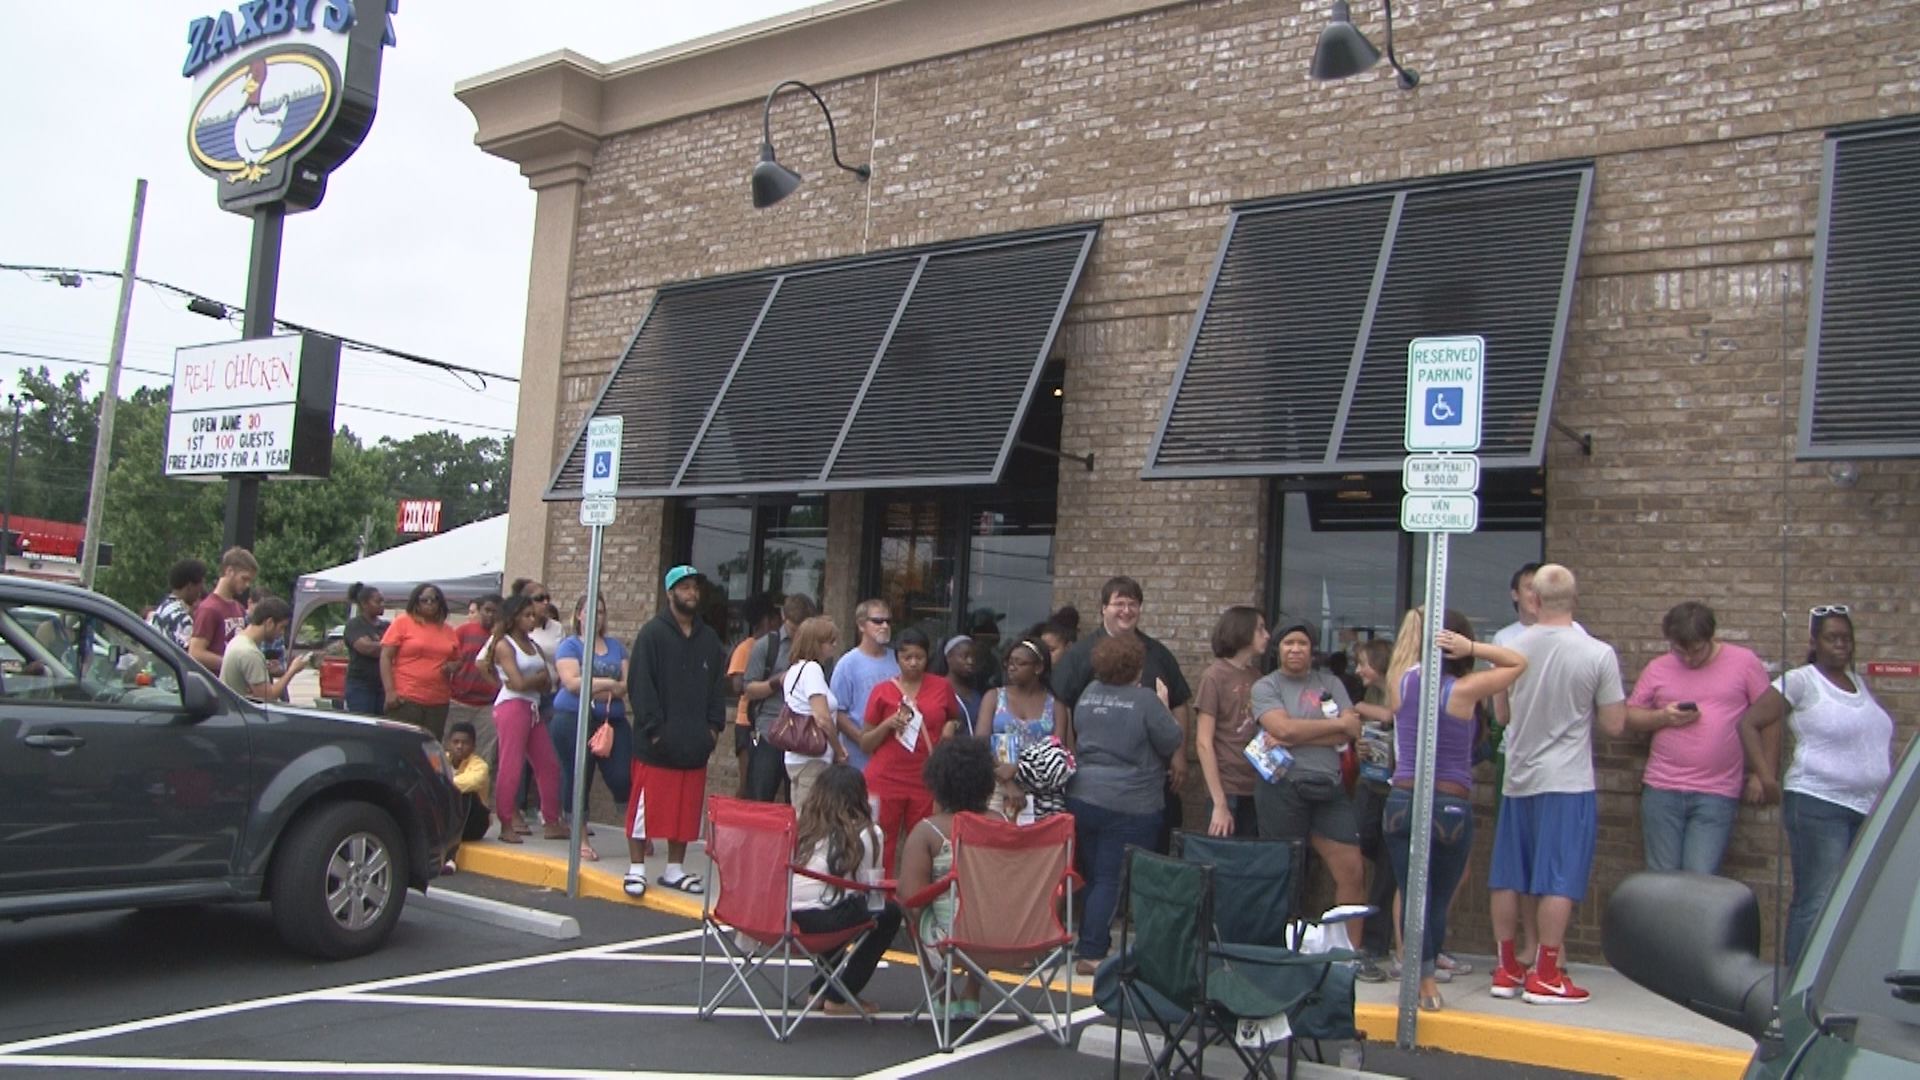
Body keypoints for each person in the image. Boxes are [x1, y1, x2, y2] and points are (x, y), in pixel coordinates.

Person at [1488, 564, 1626, 1006]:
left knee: (1509, 874)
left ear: (1534, 600)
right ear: (1575, 599)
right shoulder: (1597, 653)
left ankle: (1507, 967)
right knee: (1559, 878)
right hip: (1567, 778)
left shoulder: (1509, 649)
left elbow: (1501, 716)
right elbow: (1615, 723)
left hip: (1518, 776)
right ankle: (1546, 971)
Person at [1381, 607, 1526, 1012]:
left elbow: (1405, 663)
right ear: (1455, 647)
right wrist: (1474, 646)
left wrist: (1423, 628)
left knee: (1412, 893)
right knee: (1437, 898)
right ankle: (1426, 982)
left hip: (1401, 798)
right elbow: (1519, 662)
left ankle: (1418, 974)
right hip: (1449, 802)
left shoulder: (1401, 681)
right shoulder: (1463, 690)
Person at [1738, 606, 1895, 966]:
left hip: (1864, 808)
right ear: (1814, 642)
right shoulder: (1802, 681)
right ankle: (1798, 981)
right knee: (1817, 897)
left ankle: (1832, 975)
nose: (1841, 644)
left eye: (1846, 638)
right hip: (1818, 803)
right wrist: (1765, 775)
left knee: (1851, 899)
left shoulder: (1858, 683)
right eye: (1832, 637)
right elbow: (1749, 723)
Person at [1624, 601, 1774, 876]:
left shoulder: (1744, 662)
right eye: (1680, 652)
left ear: (1711, 637)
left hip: (1716, 791)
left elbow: (1770, 718)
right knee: (1660, 877)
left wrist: (1761, 774)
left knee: (1699, 877)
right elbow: (1630, 716)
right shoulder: (1658, 668)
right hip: (1662, 787)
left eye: (1696, 651)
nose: (1689, 660)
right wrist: (1662, 717)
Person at [1065, 633, 1183, 975]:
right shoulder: (1145, 700)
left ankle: (1088, 939)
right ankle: (1091, 952)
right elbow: (1171, 739)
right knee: (1110, 878)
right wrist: (1162, 705)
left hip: (1084, 794)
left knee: (1093, 872)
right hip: (1131, 801)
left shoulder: (1088, 695)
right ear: (1138, 666)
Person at [1050, 576, 1192, 851]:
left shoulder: (1158, 653)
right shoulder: (1080, 654)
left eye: (1133, 604)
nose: (1126, 610)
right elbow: (1061, 704)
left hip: (1150, 781)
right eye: (1119, 603)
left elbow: (1179, 703)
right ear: (1103, 608)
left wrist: (1179, 756)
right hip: (1093, 781)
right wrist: (1068, 754)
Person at [1250, 621, 1365, 920]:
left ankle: (1347, 952)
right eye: (1289, 644)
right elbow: (1281, 727)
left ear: (1312, 649)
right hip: (1282, 788)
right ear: (1278, 649)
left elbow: (1349, 732)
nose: (1296, 649)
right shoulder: (1266, 686)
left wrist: (1296, 733)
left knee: (1352, 870)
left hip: (1330, 786)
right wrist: (1333, 726)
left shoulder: (1332, 683)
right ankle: (1282, 946)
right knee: (1284, 870)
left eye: (1302, 643)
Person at [625, 564, 728, 898]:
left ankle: (674, 868)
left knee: (685, 808)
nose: (691, 594)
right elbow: (641, 685)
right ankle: (637, 868)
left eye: (695, 588)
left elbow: (717, 688)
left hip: (695, 742)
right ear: (670, 593)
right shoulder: (652, 634)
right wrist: (655, 731)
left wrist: (712, 730)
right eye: (684, 588)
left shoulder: (709, 638)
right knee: (645, 806)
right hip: (656, 744)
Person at [789, 764, 904, 1015]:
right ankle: (841, 995)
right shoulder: (867, 832)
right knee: (887, 913)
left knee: (834, 898)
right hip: (823, 919)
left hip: (785, 917)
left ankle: (819, 990)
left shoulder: (802, 828)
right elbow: (869, 890)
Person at [899, 736, 999, 1017]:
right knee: (985, 906)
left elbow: (911, 896)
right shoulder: (1001, 823)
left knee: (914, 910)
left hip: (953, 937)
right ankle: (972, 992)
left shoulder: (928, 831)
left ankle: (944, 992)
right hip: (1005, 934)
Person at [859, 627, 964, 877]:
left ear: (928, 658)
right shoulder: (882, 691)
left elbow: (955, 719)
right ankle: (880, 901)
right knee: (881, 842)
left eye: (919, 657)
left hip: (926, 777)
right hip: (885, 778)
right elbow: (865, 743)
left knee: (925, 839)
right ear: (897, 658)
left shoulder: (941, 687)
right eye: (907, 658)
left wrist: (950, 728)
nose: (914, 663)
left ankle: (917, 902)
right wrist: (887, 724)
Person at [553, 593, 632, 864]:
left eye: (600, 611)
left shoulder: (617, 647)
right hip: (573, 718)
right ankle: (580, 837)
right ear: (578, 615)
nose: (596, 617)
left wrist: (597, 685)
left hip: (612, 720)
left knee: (624, 776)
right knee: (578, 776)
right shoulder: (570, 646)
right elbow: (572, 684)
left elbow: (625, 685)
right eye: (590, 611)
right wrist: (609, 685)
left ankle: (635, 832)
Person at [487, 593, 565, 844]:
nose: (533, 619)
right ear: (513, 617)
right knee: (511, 765)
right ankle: (506, 822)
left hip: (532, 707)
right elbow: (517, 683)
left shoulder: (534, 646)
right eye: (527, 615)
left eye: (534, 615)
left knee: (549, 764)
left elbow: (547, 682)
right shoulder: (504, 644)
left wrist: (534, 681)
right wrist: (535, 680)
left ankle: (552, 821)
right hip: (511, 706)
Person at [976, 636, 1071, 824]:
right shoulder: (994, 697)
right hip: (997, 786)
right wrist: (1008, 783)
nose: (1012, 667)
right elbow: (981, 743)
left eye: (1020, 663)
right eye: (1009, 662)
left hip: (1041, 793)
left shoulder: (1056, 707)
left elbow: (1058, 754)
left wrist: (1021, 771)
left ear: (1038, 668)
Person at [1195, 606, 1269, 839]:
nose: (1266, 635)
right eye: (1260, 629)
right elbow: (1203, 742)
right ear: (1243, 632)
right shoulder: (1214, 677)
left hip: (1256, 784)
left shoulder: (1258, 677)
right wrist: (1219, 803)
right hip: (1227, 787)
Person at [1350, 637, 1400, 983]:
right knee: (1359, 843)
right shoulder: (1371, 695)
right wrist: (1362, 744)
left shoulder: (1396, 690)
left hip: (1395, 789)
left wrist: (1358, 708)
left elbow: (1392, 715)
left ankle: (1376, 940)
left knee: (1389, 866)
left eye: (1363, 663)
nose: (1358, 669)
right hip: (1370, 784)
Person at [742, 594, 819, 802]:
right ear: (784, 617)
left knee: (799, 806)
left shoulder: (818, 651)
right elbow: (748, 689)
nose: (798, 635)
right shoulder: (766, 645)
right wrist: (778, 681)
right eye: (794, 629)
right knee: (759, 801)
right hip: (770, 733)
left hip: (803, 738)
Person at [782, 616, 847, 814]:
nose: (834, 646)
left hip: (795, 757)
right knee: (811, 820)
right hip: (813, 758)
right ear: (816, 644)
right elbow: (822, 718)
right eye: (830, 641)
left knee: (801, 815)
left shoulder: (794, 670)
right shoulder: (812, 669)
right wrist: (839, 749)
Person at [380, 583, 462, 739]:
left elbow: (458, 659)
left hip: (438, 701)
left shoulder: (448, 630)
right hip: (406, 698)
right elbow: (386, 656)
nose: (430, 604)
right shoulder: (403, 622)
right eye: (424, 600)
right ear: (416, 602)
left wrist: (452, 666)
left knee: (429, 748)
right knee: (402, 745)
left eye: (434, 600)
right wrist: (390, 692)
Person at [831, 598, 899, 773]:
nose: (884, 626)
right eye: (877, 621)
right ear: (861, 625)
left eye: (888, 621)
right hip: (857, 760)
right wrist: (864, 739)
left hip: (893, 756)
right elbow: (837, 712)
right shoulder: (847, 664)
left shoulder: (898, 660)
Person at [728, 594, 780, 797]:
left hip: (766, 722)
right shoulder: (746, 648)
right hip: (747, 723)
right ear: (768, 620)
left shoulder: (777, 646)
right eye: (776, 618)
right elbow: (737, 685)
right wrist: (765, 681)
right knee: (748, 784)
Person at [218, 596, 312, 701]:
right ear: (269, 623)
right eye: (282, 627)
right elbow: (268, 697)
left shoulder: (239, 640)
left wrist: (264, 668)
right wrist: (292, 671)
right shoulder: (250, 652)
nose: (281, 633)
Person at [447, 594, 503, 766]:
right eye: (487, 610)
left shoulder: (502, 637)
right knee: (452, 752)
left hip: (487, 705)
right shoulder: (464, 631)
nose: (490, 615)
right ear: (479, 611)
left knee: (484, 755)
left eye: (495, 611)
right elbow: (450, 657)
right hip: (459, 701)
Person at [188, 547, 257, 672]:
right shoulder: (209, 609)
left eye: (250, 581)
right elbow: (196, 652)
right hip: (214, 685)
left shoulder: (239, 608)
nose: (247, 585)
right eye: (244, 578)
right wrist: (233, 663)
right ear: (229, 571)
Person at [445, 720, 493, 851]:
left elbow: (472, 782)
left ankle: (450, 855)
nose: (459, 746)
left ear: (473, 747)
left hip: (475, 822)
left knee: (465, 794)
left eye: (465, 743)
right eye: (455, 742)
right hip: (448, 821)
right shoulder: (440, 760)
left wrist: (441, 783)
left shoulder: (480, 766)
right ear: (448, 744)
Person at [343, 584, 389, 716]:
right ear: (364, 604)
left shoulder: (386, 626)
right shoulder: (355, 624)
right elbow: (366, 648)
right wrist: (389, 647)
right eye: (378, 601)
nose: (382, 604)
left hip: (382, 685)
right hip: (361, 686)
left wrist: (382, 646)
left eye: (383, 601)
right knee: (364, 724)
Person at [148, 558, 206, 650]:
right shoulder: (183, 620)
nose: (200, 591)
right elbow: (189, 658)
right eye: (200, 586)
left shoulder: (161, 610)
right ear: (189, 586)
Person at [942, 635, 984, 730]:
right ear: (949, 658)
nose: (970, 661)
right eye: (964, 656)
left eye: (973, 657)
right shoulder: (939, 690)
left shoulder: (976, 695)